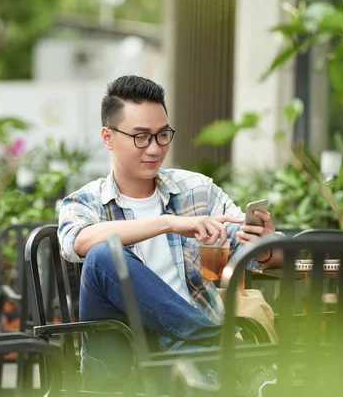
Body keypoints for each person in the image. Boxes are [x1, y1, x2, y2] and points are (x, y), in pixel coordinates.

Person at [58, 75, 279, 392]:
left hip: (191, 362)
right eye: (141, 137)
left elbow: (257, 253)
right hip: (123, 364)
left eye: (163, 136)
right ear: (108, 137)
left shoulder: (196, 191)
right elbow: (78, 243)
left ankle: (215, 355)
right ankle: (229, 355)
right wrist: (168, 223)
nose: (154, 148)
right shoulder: (83, 202)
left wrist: (266, 245)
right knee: (103, 255)